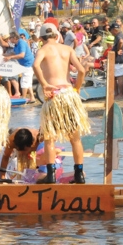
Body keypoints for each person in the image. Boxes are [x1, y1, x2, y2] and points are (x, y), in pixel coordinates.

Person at [32, 22, 90, 184]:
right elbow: (82, 70)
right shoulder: (67, 49)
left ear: (42, 38)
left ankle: (50, 176)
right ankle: (79, 175)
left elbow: (35, 65)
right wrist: (76, 89)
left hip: (54, 96)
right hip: (68, 94)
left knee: (49, 138)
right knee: (75, 138)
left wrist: (44, 84)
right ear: (57, 35)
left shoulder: (43, 50)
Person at [5, 30, 35, 102]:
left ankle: (23, 98)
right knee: (28, 81)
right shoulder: (16, 44)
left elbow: (22, 55)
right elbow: (13, 53)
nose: (9, 39)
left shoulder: (21, 43)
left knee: (24, 81)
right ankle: (32, 97)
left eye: (11, 38)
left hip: (28, 64)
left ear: (15, 38)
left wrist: (10, 57)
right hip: (25, 65)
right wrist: (4, 55)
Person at [109, 23, 123, 97]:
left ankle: (120, 93)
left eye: (111, 31)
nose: (111, 33)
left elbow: (121, 41)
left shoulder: (119, 36)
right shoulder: (119, 35)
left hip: (119, 59)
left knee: (119, 76)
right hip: (117, 59)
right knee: (115, 77)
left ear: (114, 30)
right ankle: (117, 93)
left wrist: (118, 49)